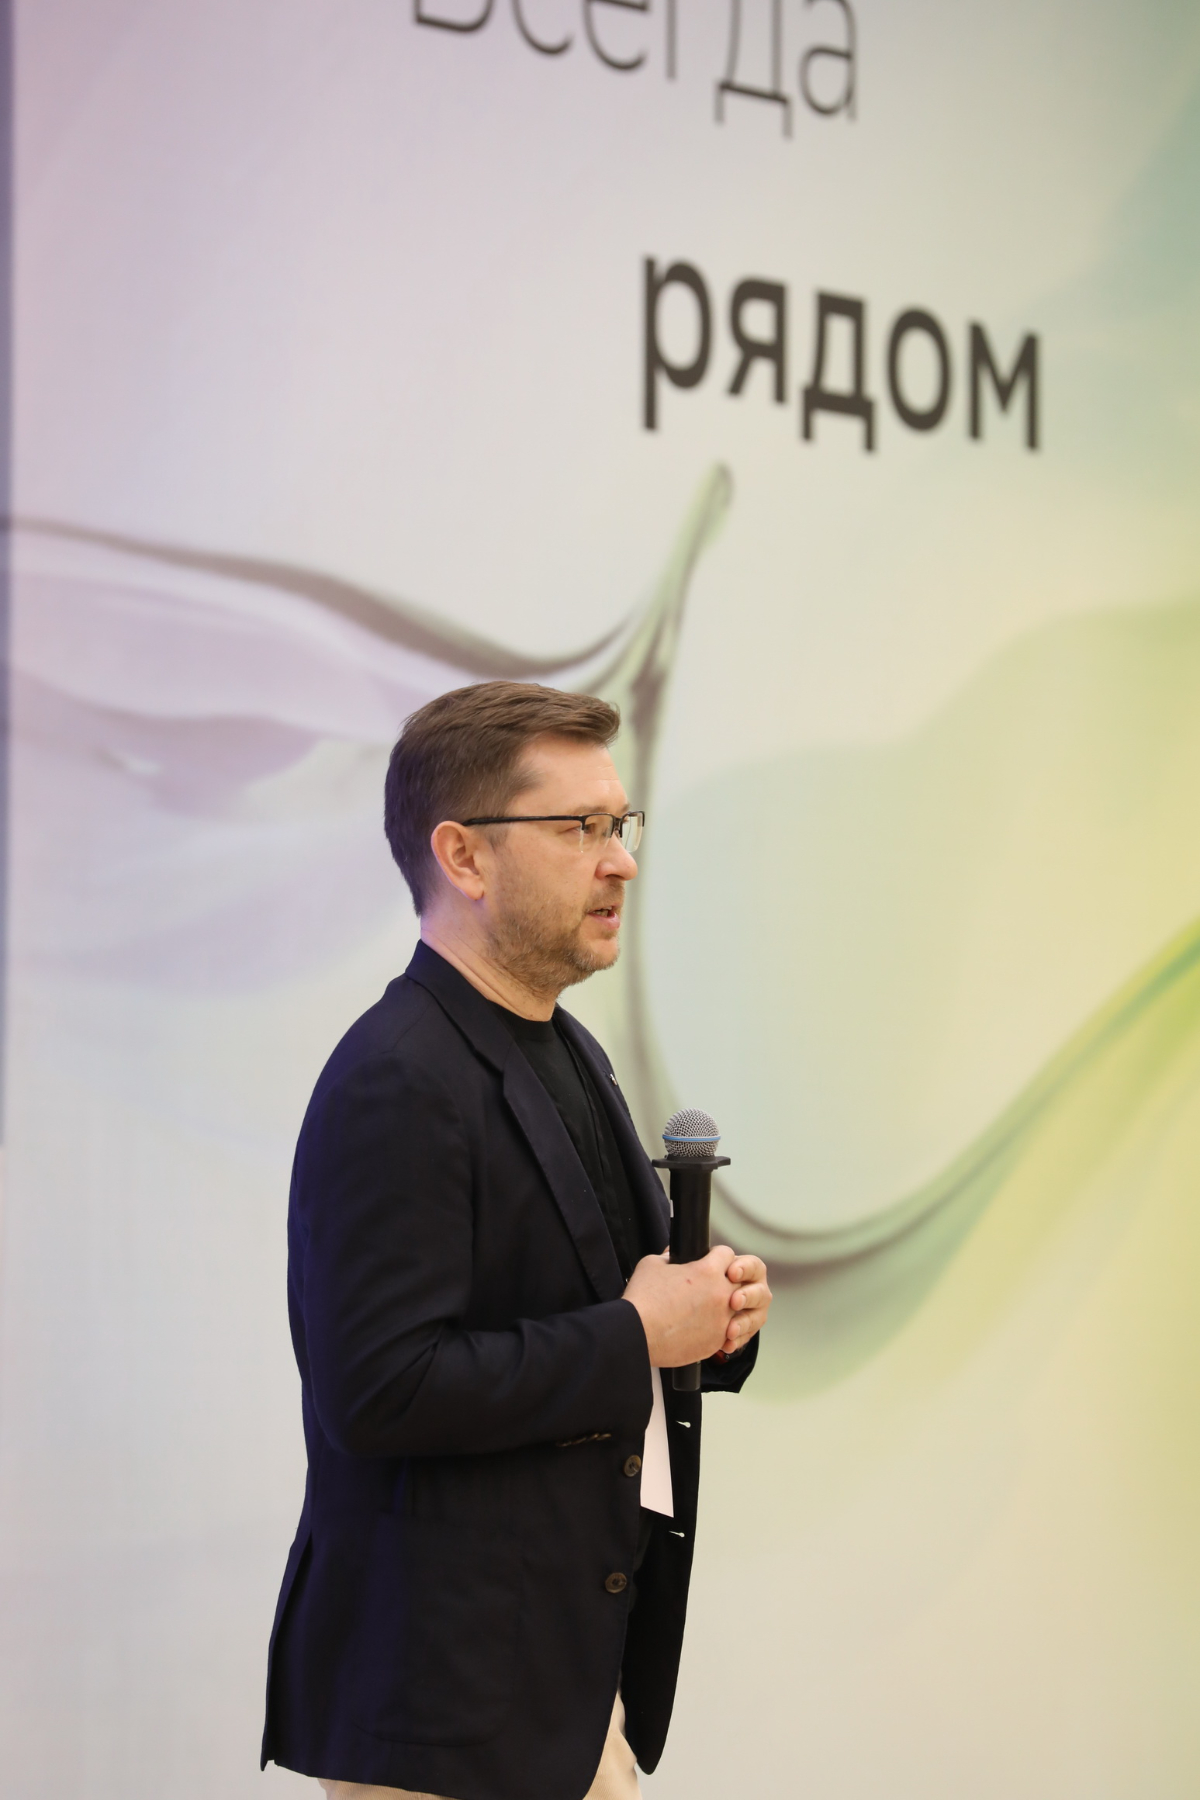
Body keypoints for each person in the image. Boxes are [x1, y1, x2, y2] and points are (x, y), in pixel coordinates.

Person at [261, 682, 772, 1800]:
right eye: (579, 827)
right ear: (464, 856)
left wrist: (711, 1322)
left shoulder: (567, 1049)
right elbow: (381, 1390)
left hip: (559, 1693)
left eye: (620, 824)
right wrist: (638, 1332)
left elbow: (601, 1308)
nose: (620, 861)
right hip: (446, 1715)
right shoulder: (398, 1078)